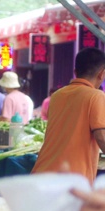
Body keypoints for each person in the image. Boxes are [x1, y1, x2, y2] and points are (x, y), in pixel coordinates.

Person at [32, 47, 105, 183]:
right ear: (102, 74)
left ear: (75, 72)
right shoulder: (96, 96)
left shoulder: (57, 95)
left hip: (41, 173)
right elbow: (102, 137)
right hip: (70, 181)